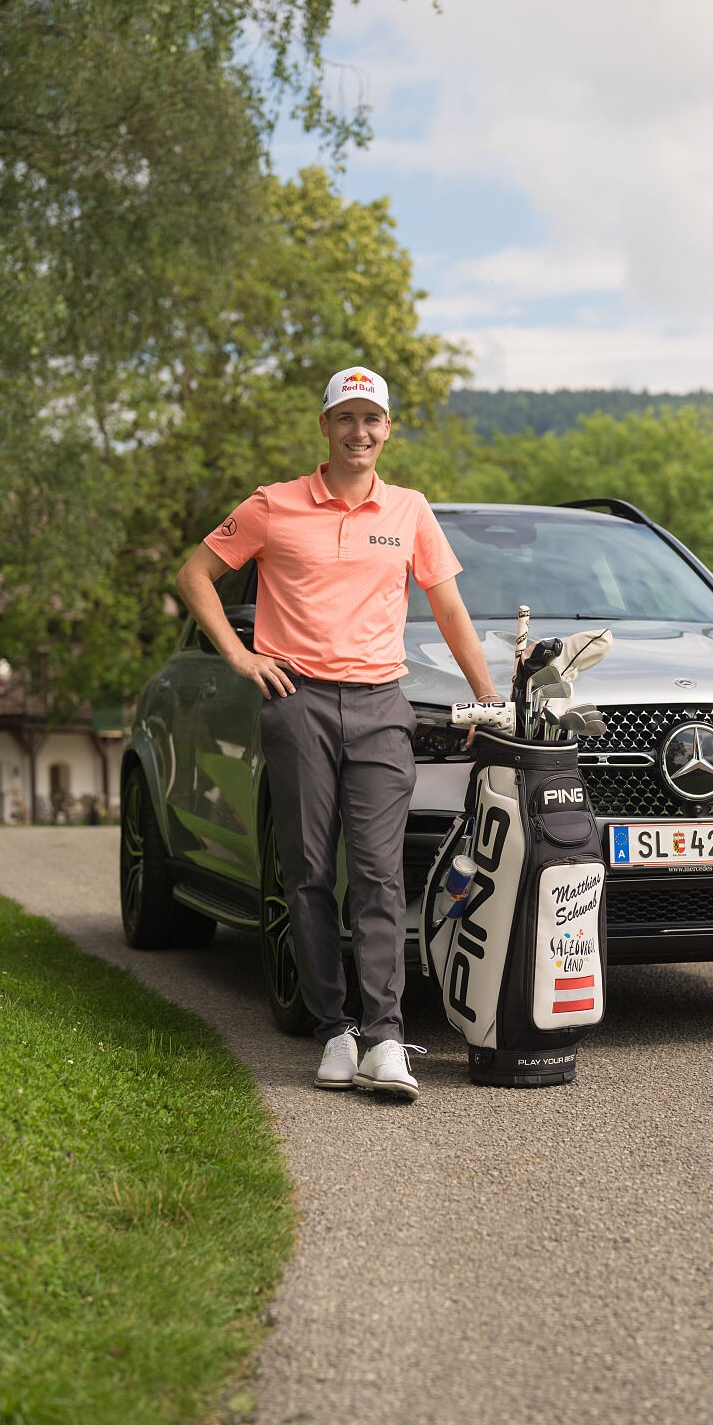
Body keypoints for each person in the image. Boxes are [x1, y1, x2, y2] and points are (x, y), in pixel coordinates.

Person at [176, 366, 498, 1102]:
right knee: (309, 871)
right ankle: (334, 1031)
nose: (360, 432)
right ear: (325, 426)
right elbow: (195, 575)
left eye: (372, 419)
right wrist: (240, 655)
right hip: (300, 705)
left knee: (381, 875)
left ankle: (385, 1035)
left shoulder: (410, 510)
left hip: (383, 705)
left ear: (388, 429)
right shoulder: (273, 505)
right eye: (346, 418)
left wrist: (487, 697)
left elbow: (449, 612)